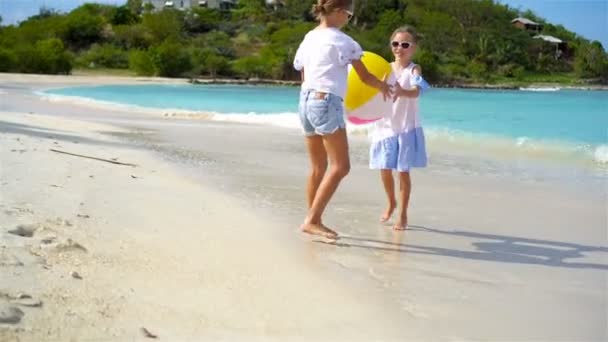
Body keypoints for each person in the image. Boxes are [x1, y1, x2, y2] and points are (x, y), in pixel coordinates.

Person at [293, 0, 392, 239]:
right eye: (349, 15)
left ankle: (312, 217)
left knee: (318, 167)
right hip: (326, 101)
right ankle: (313, 220)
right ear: (338, 12)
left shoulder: (309, 37)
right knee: (341, 166)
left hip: (305, 101)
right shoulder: (344, 42)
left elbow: (302, 71)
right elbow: (365, 76)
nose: (349, 19)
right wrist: (383, 86)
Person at [369, 25, 429, 231]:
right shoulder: (384, 68)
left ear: (413, 48)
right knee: (384, 168)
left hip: (405, 127)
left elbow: (417, 91)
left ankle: (402, 214)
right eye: (395, 44)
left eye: (405, 44)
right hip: (385, 125)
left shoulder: (414, 69)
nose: (399, 48)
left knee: (403, 172)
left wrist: (404, 91)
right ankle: (391, 202)